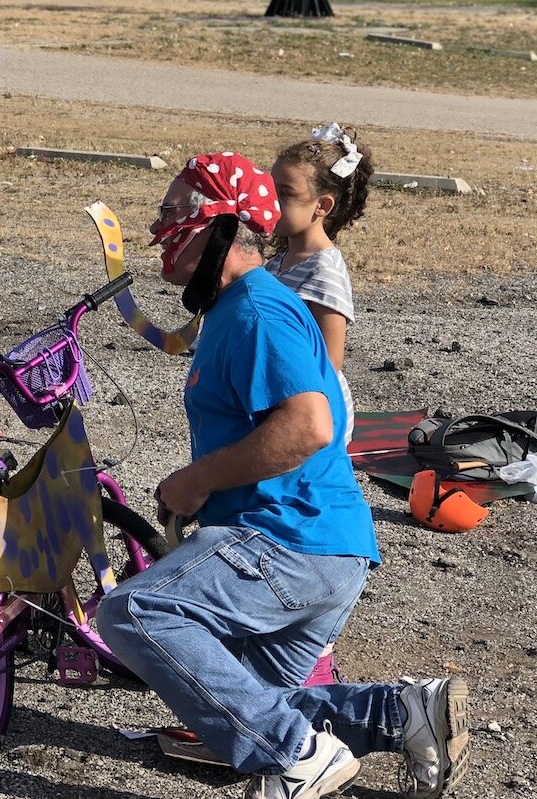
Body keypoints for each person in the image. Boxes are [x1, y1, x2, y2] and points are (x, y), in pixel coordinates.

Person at [98, 153, 470, 799]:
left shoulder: (256, 311)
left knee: (137, 610)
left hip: (284, 539)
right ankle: (404, 714)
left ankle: (298, 754)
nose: (157, 229)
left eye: (169, 214)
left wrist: (194, 482)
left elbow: (308, 426)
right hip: (324, 548)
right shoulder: (241, 307)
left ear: (214, 227)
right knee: (251, 705)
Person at [266, 123, 373, 442]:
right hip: (283, 397)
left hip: (316, 413)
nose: (270, 201)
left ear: (322, 206)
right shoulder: (277, 262)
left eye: (284, 193)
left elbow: (330, 361)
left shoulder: (324, 269)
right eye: (269, 189)